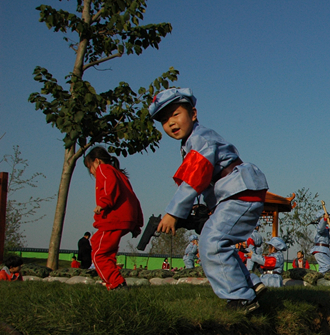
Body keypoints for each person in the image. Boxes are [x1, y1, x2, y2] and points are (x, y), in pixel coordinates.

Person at [150, 88, 268, 311]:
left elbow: (196, 178)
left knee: (211, 241)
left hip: (240, 190)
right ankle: (250, 284)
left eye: (175, 114)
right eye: (164, 121)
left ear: (193, 113)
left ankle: (240, 299)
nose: (171, 123)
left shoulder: (201, 138)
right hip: (238, 190)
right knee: (219, 241)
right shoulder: (192, 142)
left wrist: (173, 212)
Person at [84, 146, 143, 291]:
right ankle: (113, 283)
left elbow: (110, 185)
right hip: (126, 220)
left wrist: (103, 203)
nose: (91, 172)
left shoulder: (104, 169)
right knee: (107, 252)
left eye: (90, 167)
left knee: (98, 253)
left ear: (97, 161)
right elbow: (133, 198)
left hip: (112, 219)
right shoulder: (121, 176)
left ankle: (117, 283)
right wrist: (136, 224)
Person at [311, 210, 330, 274]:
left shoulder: (326, 229)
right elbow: (320, 228)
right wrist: (324, 219)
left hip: (325, 250)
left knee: (327, 267)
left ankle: (323, 280)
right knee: (326, 266)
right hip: (320, 250)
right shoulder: (319, 227)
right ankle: (320, 278)